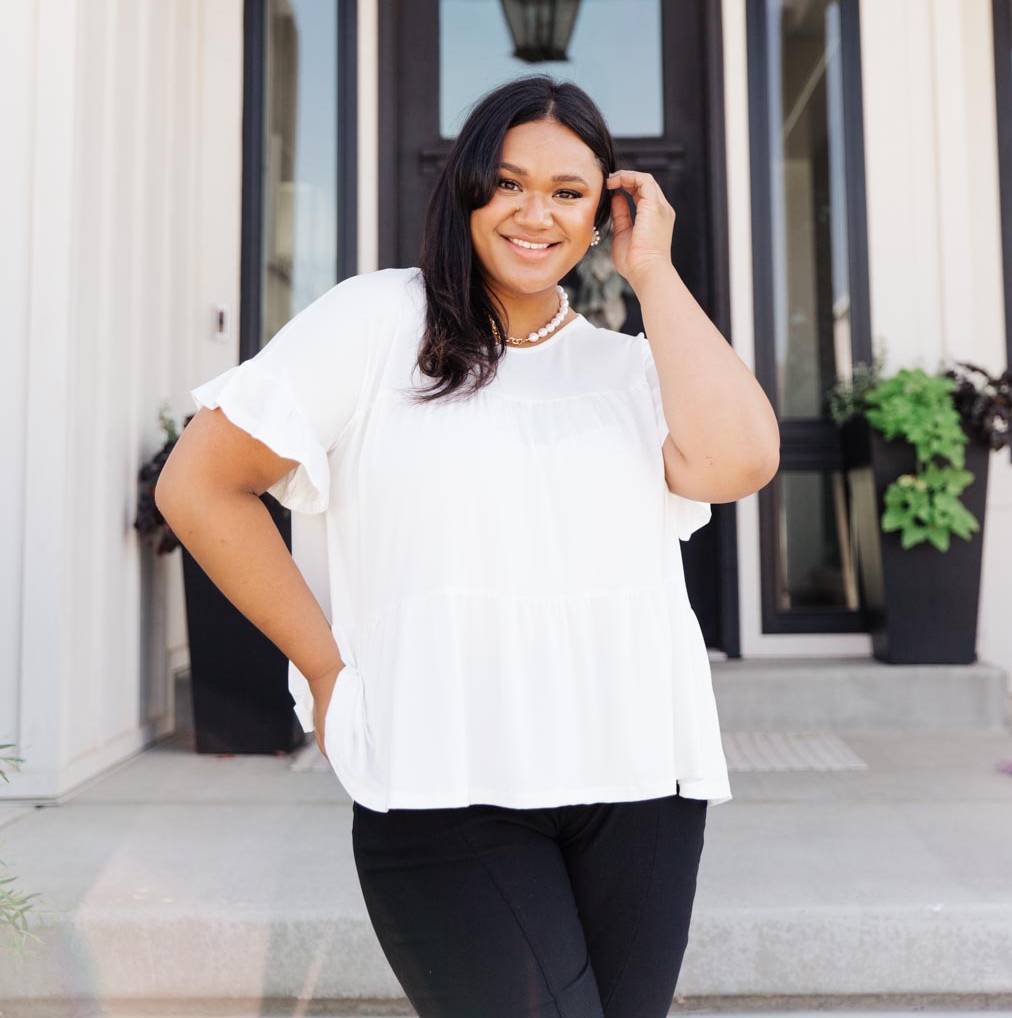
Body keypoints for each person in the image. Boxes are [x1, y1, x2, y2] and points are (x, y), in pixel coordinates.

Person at [157, 75, 780, 1018]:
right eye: (508, 182)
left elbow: (740, 462)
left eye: (569, 192)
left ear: (601, 210)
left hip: (641, 781)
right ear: (466, 192)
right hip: (442, 777)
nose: (537, 213)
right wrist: (326, 672)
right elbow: (197, 484)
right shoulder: (377, 323)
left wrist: (650, 270)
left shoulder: (629, 369)